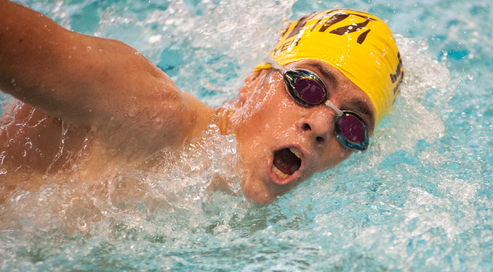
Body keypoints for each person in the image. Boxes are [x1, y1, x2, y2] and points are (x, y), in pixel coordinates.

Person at [0, 1, 403, 205]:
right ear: (253, 83)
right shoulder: (143, 110)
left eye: (352, 125)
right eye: (309, 87)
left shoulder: (253, 215)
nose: (320, 125)